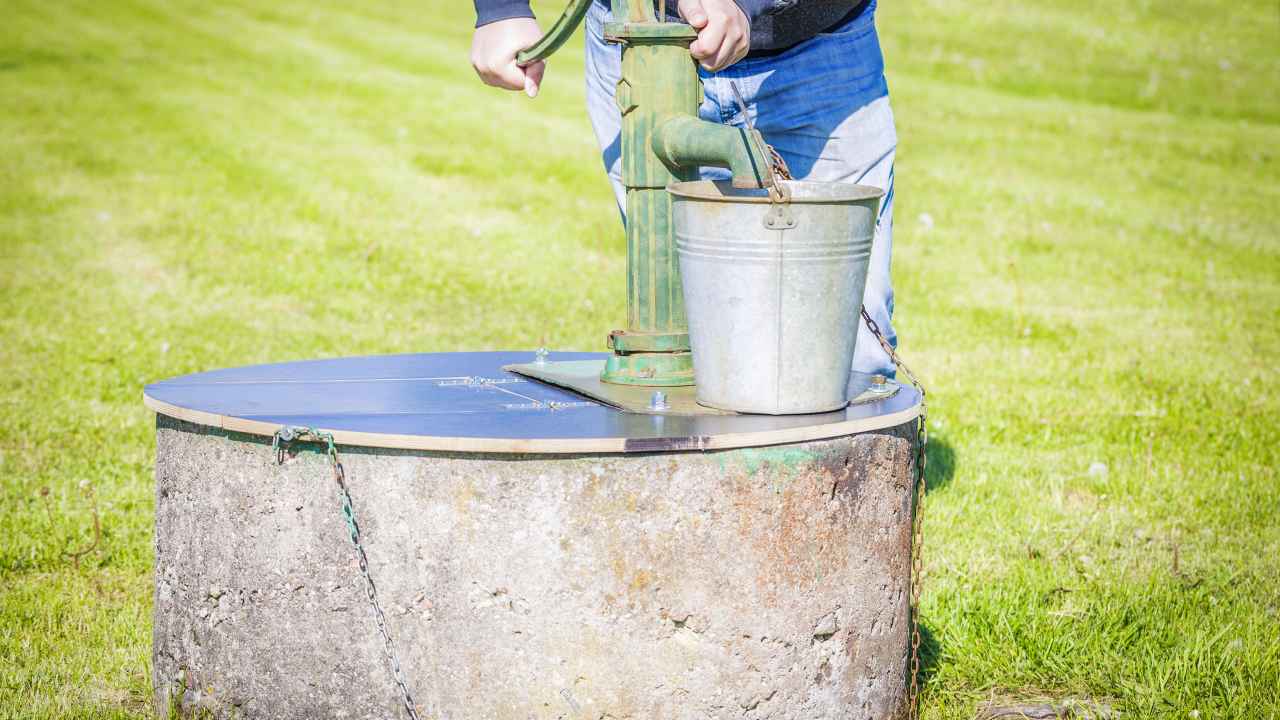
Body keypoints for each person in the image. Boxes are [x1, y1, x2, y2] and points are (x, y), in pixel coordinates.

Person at [470, 0, 899, 378]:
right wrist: (501, 9)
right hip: (639, 47)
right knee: (699, 339)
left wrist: (750, 7)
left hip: (816, 53)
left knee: (848, 353)